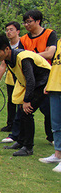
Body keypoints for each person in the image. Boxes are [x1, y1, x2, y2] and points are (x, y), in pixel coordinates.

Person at [0, 35, 51, 156]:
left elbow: (31, 80)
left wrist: (27, 100)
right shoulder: (9, 59)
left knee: (27, 112)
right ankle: (20, 141)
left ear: (7, 49)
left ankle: (28, 147)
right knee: (21, 111)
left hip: (44, 83)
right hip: (33, 84)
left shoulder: (23, 58)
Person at [19, 9, 56, 144]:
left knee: (49, 109)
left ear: (37, 21)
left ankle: (51, 137)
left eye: (29, 22)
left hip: (47, 78)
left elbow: (50, 53)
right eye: (25, 23)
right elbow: (21, 57)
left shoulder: (49, 34)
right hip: (31, 78)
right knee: (25, 108)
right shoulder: (23, 39)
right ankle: (21, 138)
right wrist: (41, 54)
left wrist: (31, 56)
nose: (27, 25)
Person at [0, 22, 24, 137]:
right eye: (7, 30)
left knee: (21, 104)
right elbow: (3, 65)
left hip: (22, 79)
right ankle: (10, 124)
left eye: (11, 29)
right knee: (11, 102)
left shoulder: (22, 44)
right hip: (11, 79)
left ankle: (19, 129)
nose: (8, 32)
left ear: (18, 31)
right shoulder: (5, 45)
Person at [39, 39, 61, 172]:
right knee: (56, 124)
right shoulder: (59, 42)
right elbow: (55, 64)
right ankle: (58, 154)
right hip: (54, 86)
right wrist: (49, 83)